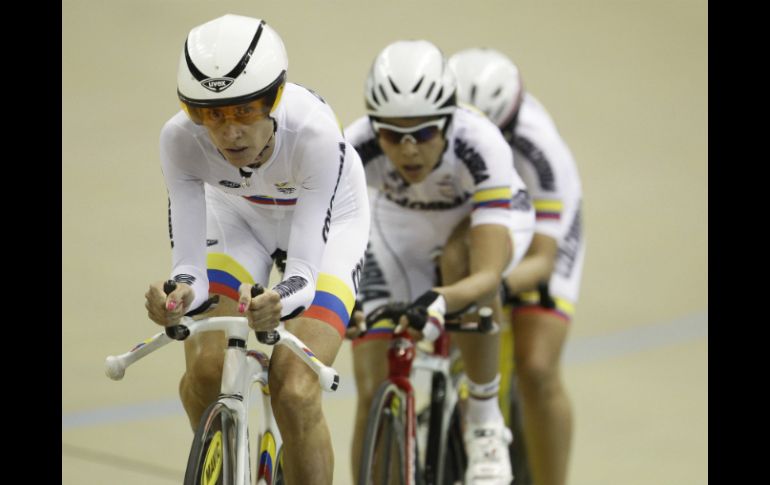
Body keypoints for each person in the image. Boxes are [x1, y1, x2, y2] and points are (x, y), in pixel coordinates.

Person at [142, 14, 370, 485]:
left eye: (245, 110)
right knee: (206, 373)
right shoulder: (179, 139)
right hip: (239, 216)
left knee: (296, 388)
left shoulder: (315, 134)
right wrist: (179, 294)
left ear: (275, 98)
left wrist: (277, 303)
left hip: (328, 226)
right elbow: (189, 267)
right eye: (211, 114)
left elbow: (304, 272)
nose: (229, 133)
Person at [346, 40, 534, 484]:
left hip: (478, 223)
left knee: (461, 259)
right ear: (375, 128)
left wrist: (439, 299)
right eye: (392, 135)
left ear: (449, 121)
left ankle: (484, 420)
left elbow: (488, 273)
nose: (409, 150)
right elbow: (333, 235)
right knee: (372, 387)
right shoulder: (354, 147)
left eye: (424, 134)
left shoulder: (480, 142)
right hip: (399, 226)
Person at [449, 48, 585, 485]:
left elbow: (543, 261)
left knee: (537, 366)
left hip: (541, 235)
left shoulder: (539, 146)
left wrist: (488, 287)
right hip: (484, 214)